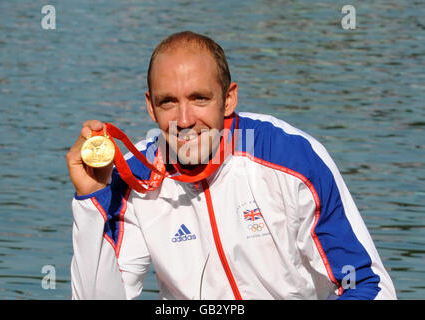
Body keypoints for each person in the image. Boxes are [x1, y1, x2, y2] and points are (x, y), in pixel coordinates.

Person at [66, 31, 397, 300]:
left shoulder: (291, 156)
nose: (183, 120)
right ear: (151, 108)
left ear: (228, 99)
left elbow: (369, 287)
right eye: (168, 102)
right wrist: (91, 202)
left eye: (199, 98)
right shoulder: (133, 178)